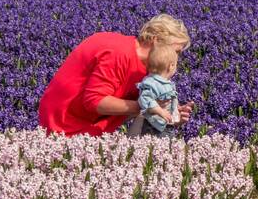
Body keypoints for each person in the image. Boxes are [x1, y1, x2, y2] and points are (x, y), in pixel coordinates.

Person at [38, 14, 193, 137]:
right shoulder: (119, 52)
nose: (176, 59)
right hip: (64, 127)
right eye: (176, 51)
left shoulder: (149, 68)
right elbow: (94, 101)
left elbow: (136, 108)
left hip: (90, 127)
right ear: (155, 40)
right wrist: (150, 107)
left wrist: (170, 113)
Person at [134, 44, 182, 137]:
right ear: (171, 66)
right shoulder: (151, 83)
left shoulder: (166, 83)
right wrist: (160, 111)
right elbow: (145, 99)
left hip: (166, 125)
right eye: (176, 64)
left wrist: (176, 111)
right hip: (154, 127)